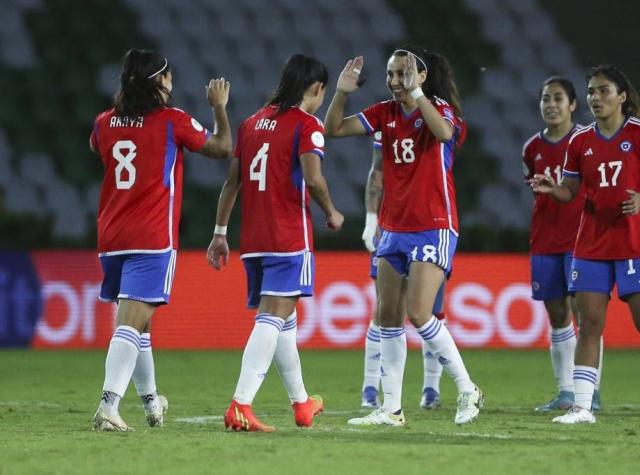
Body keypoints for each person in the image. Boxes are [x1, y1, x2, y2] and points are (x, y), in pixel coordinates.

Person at [325, 45, 484, 426]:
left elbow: (444, 133)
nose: (396, 81)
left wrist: (417, 94)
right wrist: (342, 91)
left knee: (419, 313)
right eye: (392, 75)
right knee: (388, 319)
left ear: (422, 76)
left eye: (404, 73)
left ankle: (467, 388)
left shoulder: (441, 111)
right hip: (393, 228)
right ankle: (391, 408)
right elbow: (332, 129)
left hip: (433, 223)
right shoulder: (384, 113)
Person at [530, 64, 640, 424]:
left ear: (621, 96)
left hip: (636, 242)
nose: (595, 98)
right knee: (589, 324)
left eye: (603, 91)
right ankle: (582, 407)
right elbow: (571, 191)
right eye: (591, 91)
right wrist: (552, 190)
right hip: (591, 243)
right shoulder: (580, 141)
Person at [90, 49, 232, 431]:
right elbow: (222, 148)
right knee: (132, 324)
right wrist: (219, 107)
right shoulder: (172, 121)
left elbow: (96, 147)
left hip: (112, 235)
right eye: (167, 77)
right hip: (151, 236)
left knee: (140, 323)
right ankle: (108, 404)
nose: (172, 83)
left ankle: (152, 401)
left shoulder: (104, 122)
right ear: (158, 83)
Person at [207, 54, 343, 432]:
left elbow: (231, 183)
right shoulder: (307, 125)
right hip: (288, 237)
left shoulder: (251, 124)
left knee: (284, 319)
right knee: (272, 317)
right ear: (316, 89)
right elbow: (314, 180)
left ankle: (301, 403)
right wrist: (331, 212)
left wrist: (220, 232)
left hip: (254, 239)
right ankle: (241, 403)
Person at [522, 77, 603, 412]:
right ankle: (566, 391)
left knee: (587, 317)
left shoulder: (587, 142)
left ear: (572, 105)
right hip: (545, 239)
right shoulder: (532, 148)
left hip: (584, 239)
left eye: (558, 98)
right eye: (545, 98)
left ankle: (590, 391)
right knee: (557, 315)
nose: (550, 105)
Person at [360, 132, 446, 410]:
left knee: (431, 310)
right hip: (391, 228)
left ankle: (431, 388)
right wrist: (371, 220)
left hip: (429, 226)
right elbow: (377, 173)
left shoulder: (436, 123)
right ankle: (370, 387)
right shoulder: (386, 125)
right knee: (385, 309)